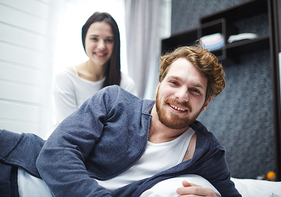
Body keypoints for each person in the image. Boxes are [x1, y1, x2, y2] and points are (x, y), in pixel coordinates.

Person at [0, 44, 241, 197]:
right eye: (174, 83)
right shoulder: (114, 100)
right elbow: (56, 153)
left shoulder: (207, 153)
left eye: (195, 91)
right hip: (16, 172)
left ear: (206, 103)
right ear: (159, 85)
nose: (181, 95)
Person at [52, 12, 137, 129]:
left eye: (108, 40)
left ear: (116, 44)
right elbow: (69, 130)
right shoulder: (66, 78)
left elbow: (127, 129)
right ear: (84, 40)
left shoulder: (126, 84)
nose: (101, 46)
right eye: (94, 39)